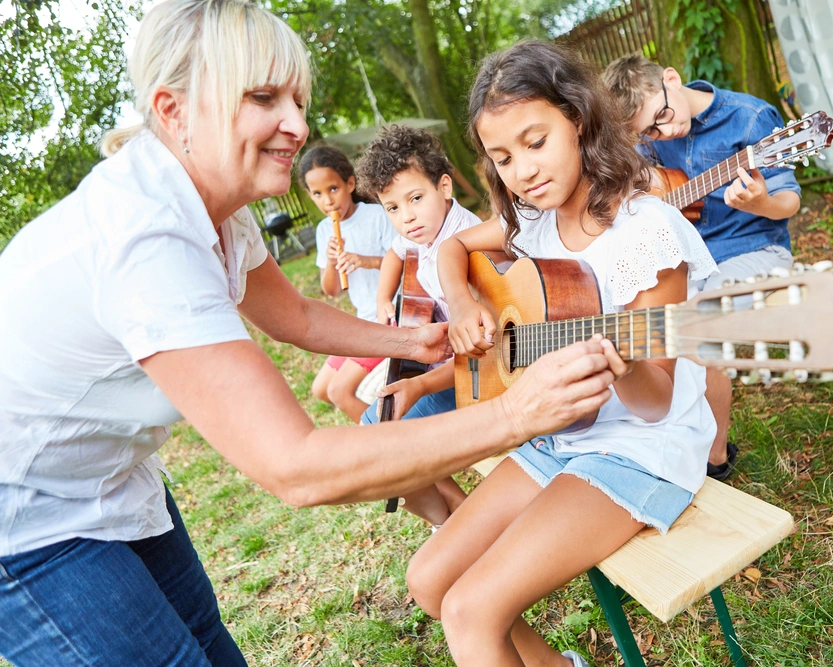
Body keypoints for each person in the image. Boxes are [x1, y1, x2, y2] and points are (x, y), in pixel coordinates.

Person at [0, 5, 622, 666]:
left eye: (297, 98)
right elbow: (295, 466)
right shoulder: (145, 240)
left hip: (112, 481)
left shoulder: (215, 204)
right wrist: (514, 413)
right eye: (264, 97)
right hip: (28, 524)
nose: (297, 124)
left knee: (209, 645)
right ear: (173, 109)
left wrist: (413, 345)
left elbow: (294, 316)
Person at [406, 41, 719, 667]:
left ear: (577, 119)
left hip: (638, 448)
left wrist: (620, 363)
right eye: (503, 157)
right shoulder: (533, 219)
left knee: (472, 609)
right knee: (431, 581)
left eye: (535, 141)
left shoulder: (645, 235)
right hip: (560, 432)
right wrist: (466, 303)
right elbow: (451, 247)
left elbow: (656, 401)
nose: (521, 169)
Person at [602, 54, 802, 481]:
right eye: (650, 131)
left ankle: (715, 456)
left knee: (693, 324)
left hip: (753, 249)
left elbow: (789, 201)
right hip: (688, 260)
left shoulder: (749, 119)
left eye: (663, 115)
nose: (664, 132)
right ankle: (650, 438)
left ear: (671, 79)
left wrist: (760, 202)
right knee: (632, 322)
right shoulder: (646, 138)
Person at [354, 123, 483, 528]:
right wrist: (381, 300)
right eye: (392, 208)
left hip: (481, 376)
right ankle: (454, 519)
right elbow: (396, 254)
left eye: (415, 198)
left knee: (377, 432)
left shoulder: (471, 244)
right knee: (376, 428)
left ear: (445, 187)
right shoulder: (422, 232)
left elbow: (486, 350)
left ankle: (456, 523)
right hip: (447, 363)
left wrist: (421, 384)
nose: (406, 217)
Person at [300, 144, 396, 422]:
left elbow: (403, 263)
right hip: (362, 320)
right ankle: (381, 421)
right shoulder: (323, 230)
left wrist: (366, 261)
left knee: (339, 391)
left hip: (388, 318)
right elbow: (330, 290)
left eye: (333, 189)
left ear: (350, 183)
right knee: (320, 389)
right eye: (317, 194)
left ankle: (389, 442)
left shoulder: (376, 216)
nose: (327, 201)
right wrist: (331, 259)